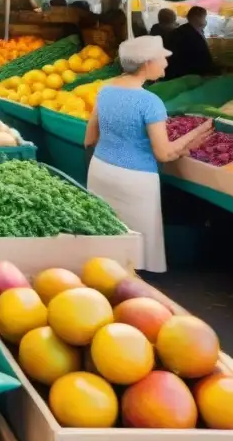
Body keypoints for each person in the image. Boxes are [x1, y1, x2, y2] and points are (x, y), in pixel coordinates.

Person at [84, 36, 212, 273]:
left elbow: (89, 138)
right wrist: (197, 133)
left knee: (108, 243)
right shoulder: (150, 102)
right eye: (162, 58)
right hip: (135, 180)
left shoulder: (105, 90)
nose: (166, 62)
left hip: (101, 170)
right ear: (146, 63)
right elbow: (163, 154)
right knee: (134, 253)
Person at [164, 6, 216, 81]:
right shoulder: (181, 33)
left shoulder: (197, 30)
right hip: (187, 76)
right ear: (196, 17)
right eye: (204, 17)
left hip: (193, 75)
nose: (205, 21)